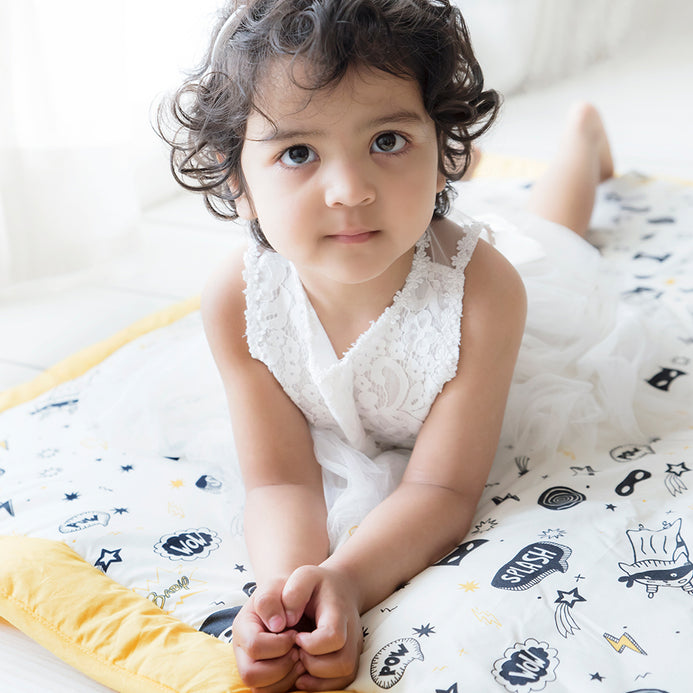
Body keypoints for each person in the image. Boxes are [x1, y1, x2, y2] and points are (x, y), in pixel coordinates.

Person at [157, 1, 615, 690]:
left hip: (482, 319)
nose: (350, 191)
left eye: (388, 141)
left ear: (443, 152)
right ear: (237, 183)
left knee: (554, 235)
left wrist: (347, 579)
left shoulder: (487, 294)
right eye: (298, 153)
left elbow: (442, 487)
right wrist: (288, 600)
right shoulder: (236, 302)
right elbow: (280, 480)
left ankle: (583, 140)